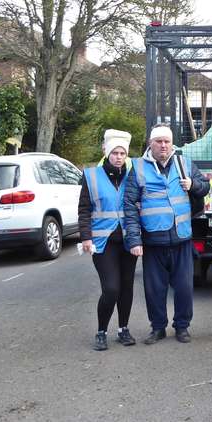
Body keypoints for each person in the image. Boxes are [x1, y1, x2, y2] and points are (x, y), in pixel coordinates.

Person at [123, 125, 209, 344]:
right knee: (154, 290)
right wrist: (134, 239)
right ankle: (158, 328)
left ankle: (182, 327)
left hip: (181, 238)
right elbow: (130, 206)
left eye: (167, 141)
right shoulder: (138, 167)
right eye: (159, 141)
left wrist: (194, 184)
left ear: (172, 144)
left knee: (184, 288)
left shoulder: (185, 164)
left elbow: (204, 188)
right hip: (153, 240)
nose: (163, 145)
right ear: (150, 143)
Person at [80, 129, 137, 351]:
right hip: (102, 242)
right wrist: (85, 236)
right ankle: (101, 331)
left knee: (127, 287)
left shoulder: (132, 176)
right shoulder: (91, 175)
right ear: (107, 153)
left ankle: (123, 329)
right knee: (111, 288)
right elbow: (84, 209)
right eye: (115, 153)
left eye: (123, 153)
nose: (119, 157)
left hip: (128, 240)